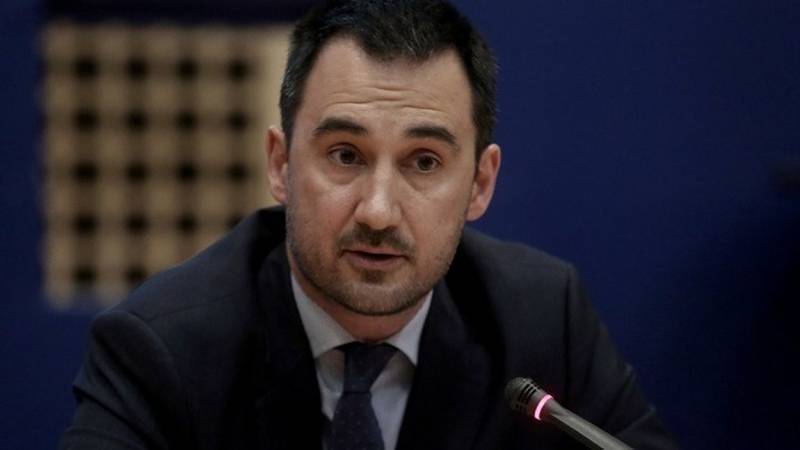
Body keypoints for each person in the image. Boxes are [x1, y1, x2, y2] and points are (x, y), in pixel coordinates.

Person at [61, 1, 678, 449]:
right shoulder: (161, 351)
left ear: (479, 184)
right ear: (280, 164)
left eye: (424, 162)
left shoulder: (542, 319)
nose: (378, 211)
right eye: (345, 155)